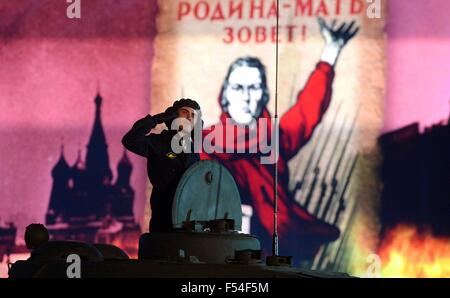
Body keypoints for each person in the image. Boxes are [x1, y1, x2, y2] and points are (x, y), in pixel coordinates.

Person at [200, 18, 359, 261]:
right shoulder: (203, 145)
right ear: (225, 95)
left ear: (263, 95)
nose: (245, 96)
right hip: (224, 258)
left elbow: (307, 110)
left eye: (253, 87)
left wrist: (331, 51)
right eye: (238, 87)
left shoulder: (274, 140)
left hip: (280, 254)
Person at [122, 98, 202, 232]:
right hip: (163, 215)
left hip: (188, 218)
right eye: (184, 112)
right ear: (173, 116)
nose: (189, 117)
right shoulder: (158, 142)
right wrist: (156, 119)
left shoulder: (193, 150)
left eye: (193, 115)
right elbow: (130, 140)